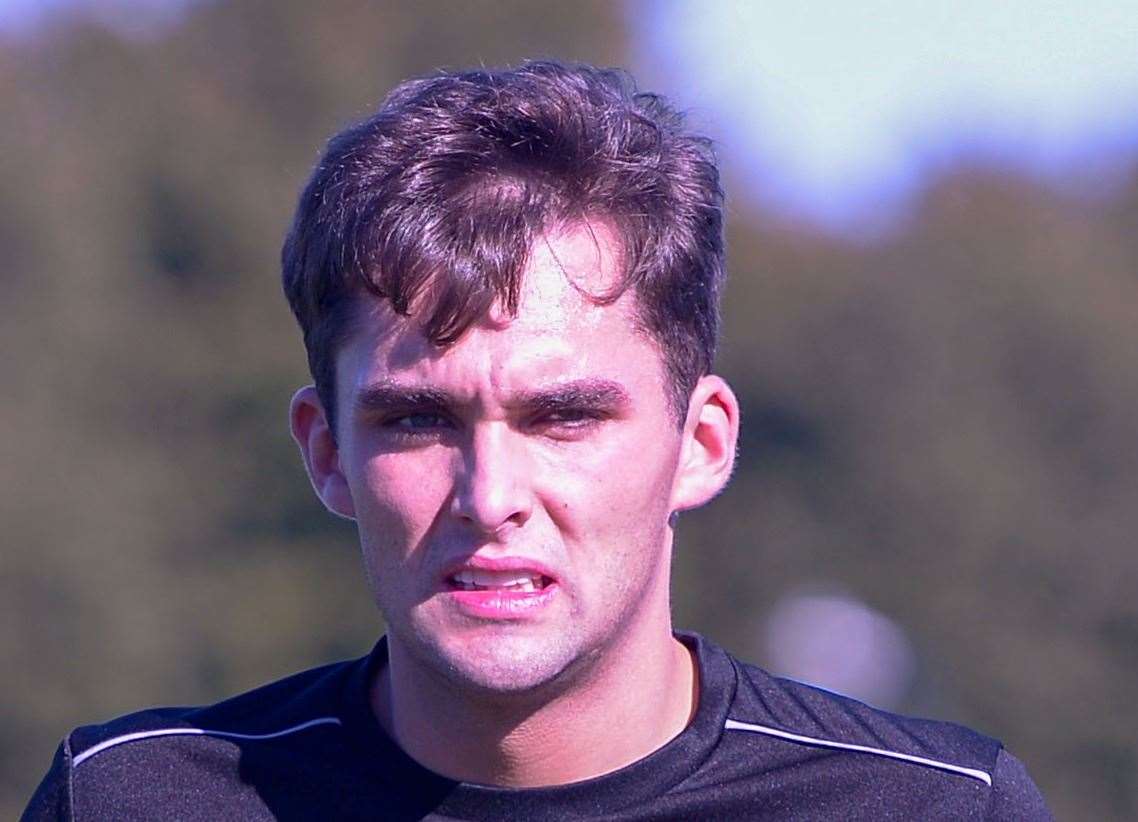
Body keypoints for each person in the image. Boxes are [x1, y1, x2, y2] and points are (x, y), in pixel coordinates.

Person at [22, 60, 1052, 820]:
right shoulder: (131, 798)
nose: (491, 492)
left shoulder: (931, 808)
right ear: (325, 449)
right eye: (418, 419)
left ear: (699, 441)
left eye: (564, 416)